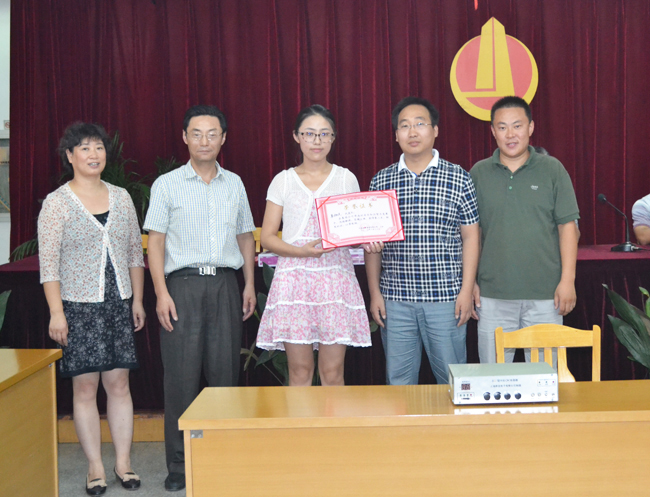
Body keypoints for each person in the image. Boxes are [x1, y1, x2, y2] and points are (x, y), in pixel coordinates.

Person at [143, 105, 256, 492]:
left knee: (225, 377)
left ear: (223, 138)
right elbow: (155, 243)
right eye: (196, 133)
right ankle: (179, 467)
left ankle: (222, 458)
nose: (204, 141)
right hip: (182, 288)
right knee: (181, 379)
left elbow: (245, 236)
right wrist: (161, 293)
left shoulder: (234, 184)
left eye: (212, 134)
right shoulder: (167, 185)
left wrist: (248, 284)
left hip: (225, 285)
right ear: (184, 137)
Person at [39, 122, 145, 496]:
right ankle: (95, 467)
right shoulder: (57, 203)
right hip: (77, 307)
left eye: (98, 147)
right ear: (69, 156)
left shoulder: (122, 197)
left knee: (119, 384)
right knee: (85, 388)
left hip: (118, 303)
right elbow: (48, 265)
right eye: (84, 148)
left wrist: (137, 300)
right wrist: (56, 312)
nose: (93, 154)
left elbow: (134, 253)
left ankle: (123, 463)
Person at [364, 97, 480, 385]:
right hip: (395, 300)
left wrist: (466, 290)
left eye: (420, 124)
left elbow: (471, 236)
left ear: (435, 130)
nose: (412, 132)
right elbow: (372, 247)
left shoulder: (459, 178)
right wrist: (375, 293)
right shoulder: (381, 181)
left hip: (446, 298)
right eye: (404, 126)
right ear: (396, 135)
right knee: (399, 383)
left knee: (453, 381)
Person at [256, 105, 371, 386]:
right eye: (309, 133)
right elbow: (268, 237)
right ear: (297, 137)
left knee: (332, 373)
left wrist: (370, 238)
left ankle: (334, 420)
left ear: (333, 138)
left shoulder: (345, 178)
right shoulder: (283, 180)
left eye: (324, 134)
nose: (316, 140)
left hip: (335, 281)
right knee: (300, 372)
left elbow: (354, 231)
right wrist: (301, 252)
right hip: (294, 282)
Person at [470, 96, 580, 364]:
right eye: (502, 127)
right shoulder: (478, 173)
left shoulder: (552, 169)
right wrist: (470, 281)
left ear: (530, 127)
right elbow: (472, 234)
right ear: (493, 131)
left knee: (545, 379)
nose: (510, 134)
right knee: (493, 380)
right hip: (493, 296)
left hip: (546, 295)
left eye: (517, 126)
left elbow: (568, 228)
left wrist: (567, 281)